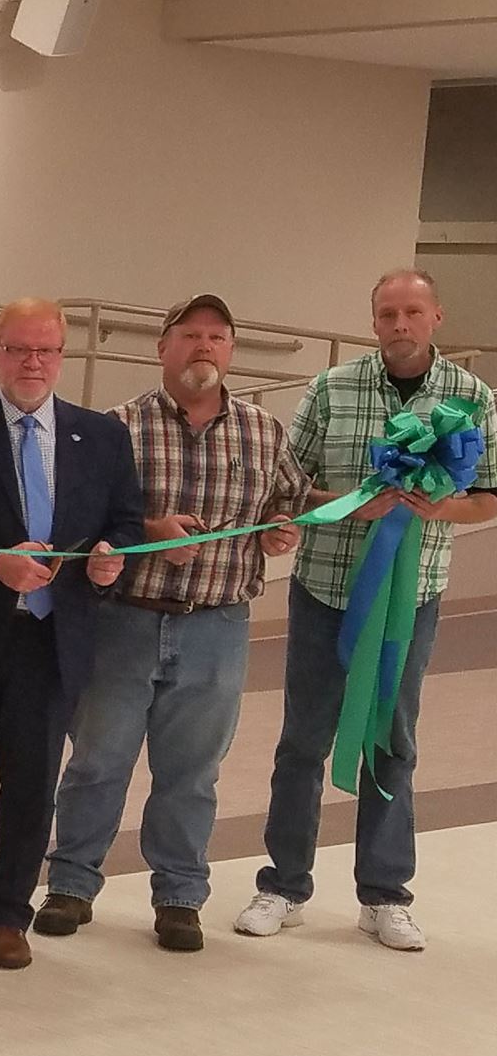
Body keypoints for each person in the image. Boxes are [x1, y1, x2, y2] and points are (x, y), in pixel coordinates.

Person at [38, 295, 312, 952]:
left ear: (231, 351)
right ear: (162, 348)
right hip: (123, 621)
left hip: (216, 626)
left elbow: (289, 501)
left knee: (193, 771)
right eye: (190, 335)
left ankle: (180, 896)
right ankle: (71, 885)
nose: (204, 347)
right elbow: (80, 523)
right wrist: (148, 532)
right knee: (98, 761)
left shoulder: (263, 430)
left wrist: (280, 532)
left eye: (218, 336)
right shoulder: (116, 428)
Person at [237, 268, 497, 951]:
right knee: (302, 740)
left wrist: (442, 506)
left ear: (438, 316)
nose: (401, 324)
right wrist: (356, 499)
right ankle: (283, 884)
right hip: (325, 586)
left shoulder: (473, 397)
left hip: (412, 599)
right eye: (388, 314)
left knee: (394, 736)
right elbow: (289, 486)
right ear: (374, 321)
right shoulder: (331, 387)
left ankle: (384, 894)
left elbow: (490, 497)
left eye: (413, 311)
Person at [0, 299, 141, 971]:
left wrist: (106, 560)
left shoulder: (101, 435)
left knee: (32, 780)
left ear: (63, 356)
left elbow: (125, 522)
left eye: (46, 350)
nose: (32, 362)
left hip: (53, 637)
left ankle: (10, 912)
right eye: (18, 349)